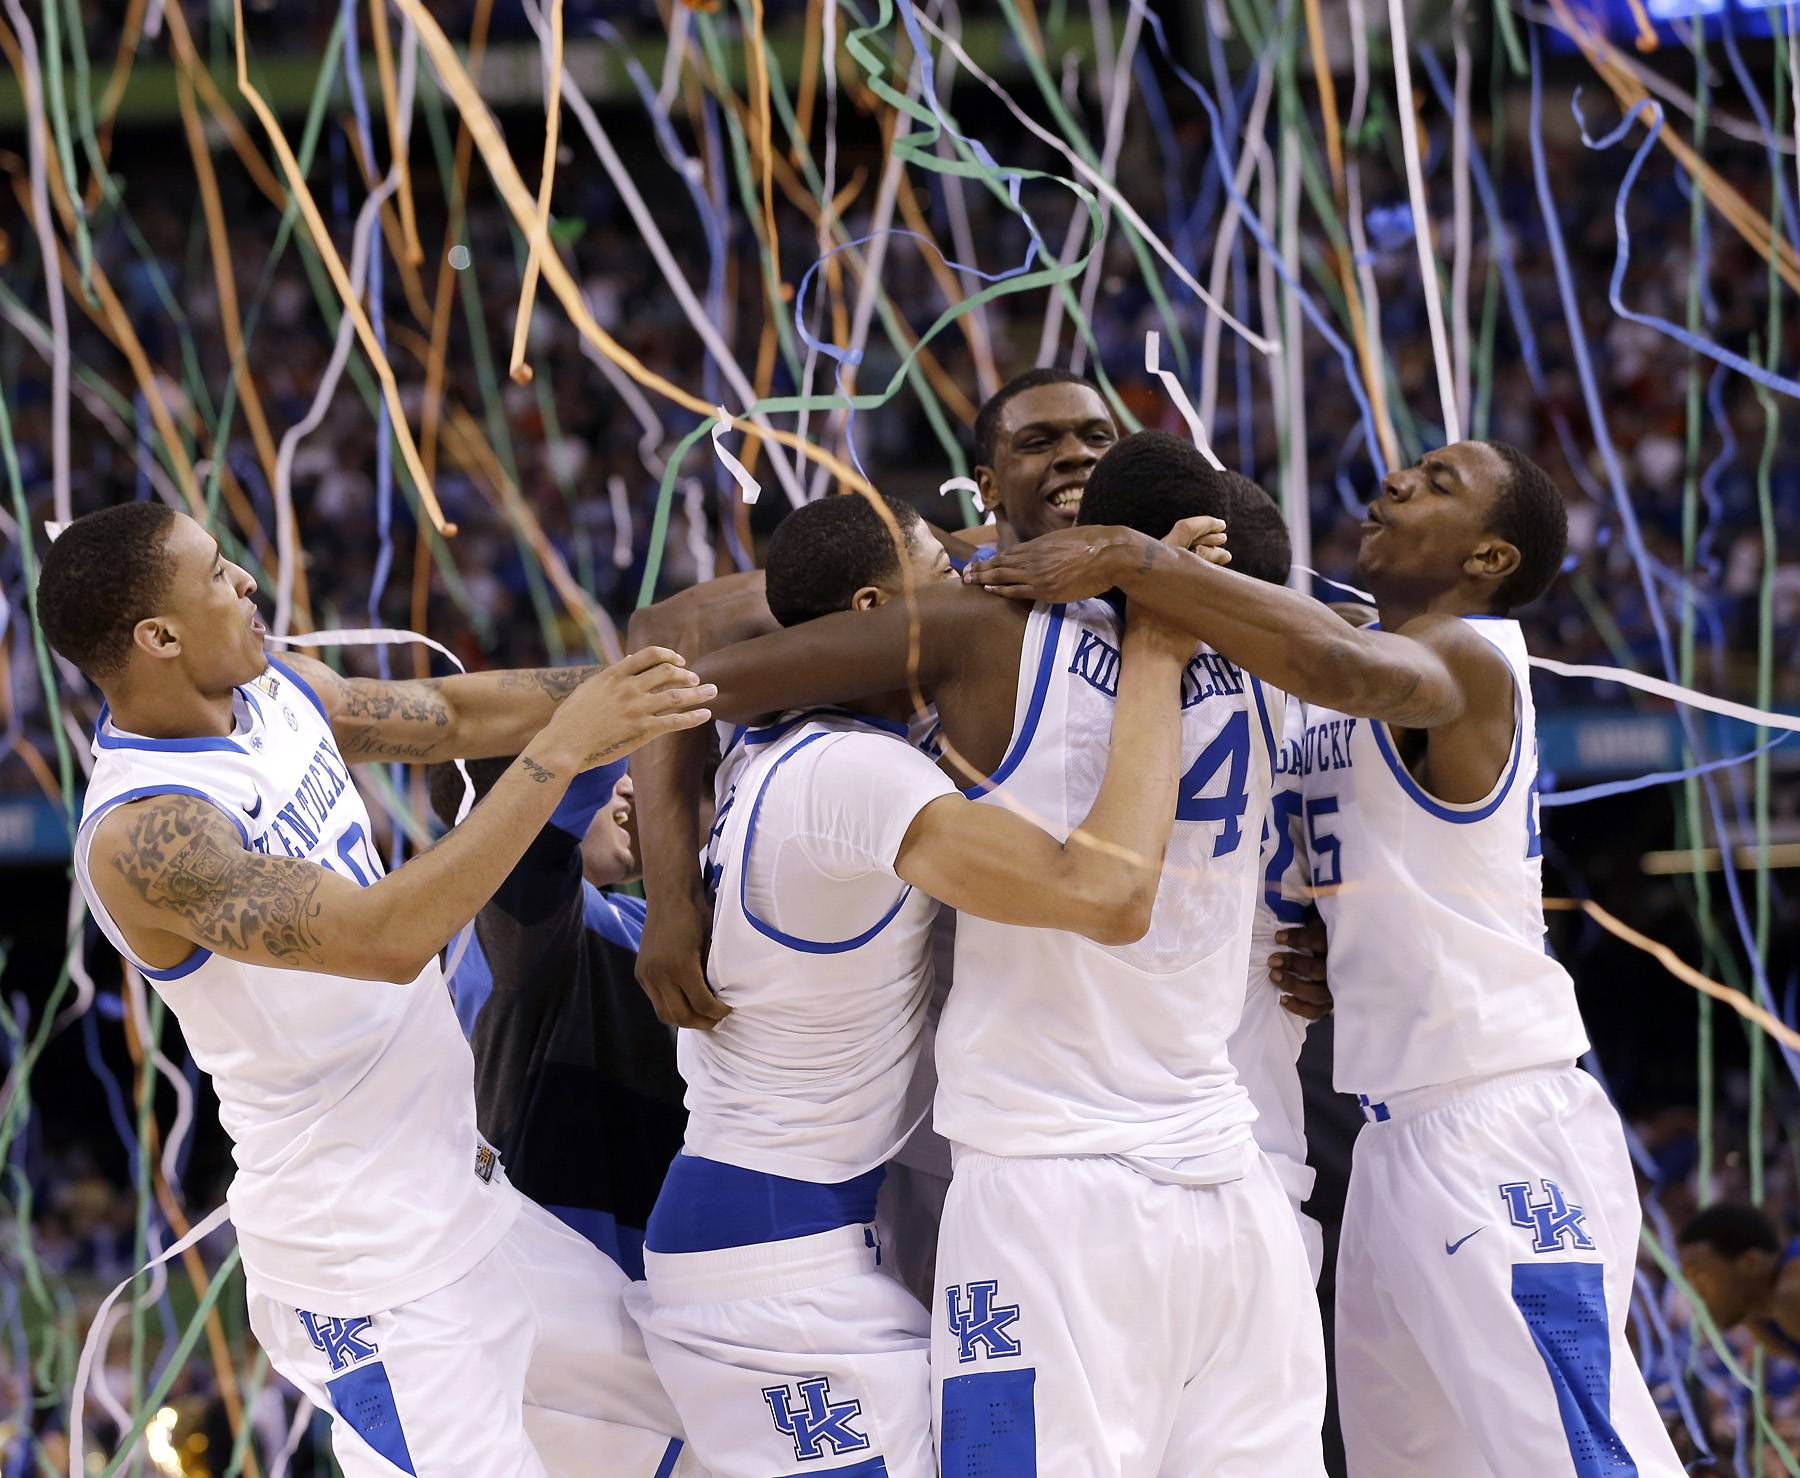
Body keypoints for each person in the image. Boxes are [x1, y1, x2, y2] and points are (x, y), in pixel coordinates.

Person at [966, 433, 1685, 1477]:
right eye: (1412, 466)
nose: (1398, 479)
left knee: (1580, 1456)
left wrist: (1137, 556)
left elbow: (1338, 662)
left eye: (1440, 484)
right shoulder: (1338, 649)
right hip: (1391, 1137)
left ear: (1491, 559)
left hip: (1498, 1120)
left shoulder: (1468, 658)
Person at [633, 454, 1328, 1475]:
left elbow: (664, 663)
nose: (965, 572)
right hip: (1218, 1171)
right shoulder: (1276, 669)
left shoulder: (961, 664)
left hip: (1043, 1181)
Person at [40, 502, 714, 1477]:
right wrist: (565, 747)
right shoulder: (148, 834)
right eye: (220, 572)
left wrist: (652, 689)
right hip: (364, 1264)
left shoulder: (277, 690)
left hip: (468, 1197)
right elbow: (389, 937)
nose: (249, 584)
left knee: (692, 1424)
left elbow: (450, 715)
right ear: (159, 636)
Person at [425, 760, 685, 1279]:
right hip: (568, 1285)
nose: (631, 786)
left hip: (653, 1281)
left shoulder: (634, 920)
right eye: (610, 771)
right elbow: (546, 787)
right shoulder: (507, 917)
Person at [1679, 1204, 1800, 1362]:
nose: (1694, 1292)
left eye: (1699, 1276)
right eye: (1688, 1279)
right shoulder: (1759, 1319)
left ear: (1751, 1263)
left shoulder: (1792, 1293)